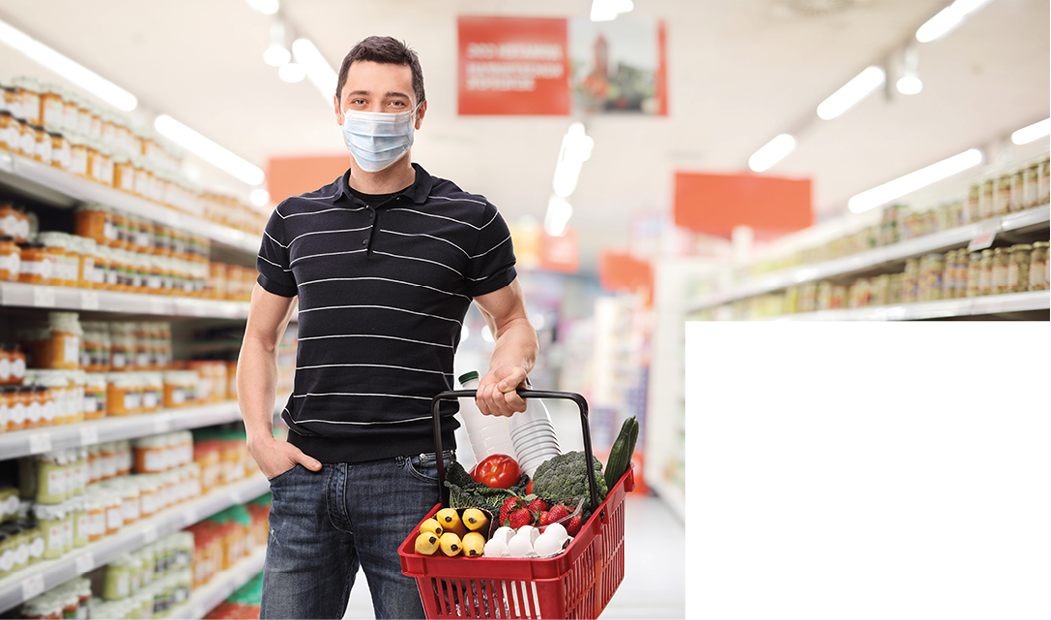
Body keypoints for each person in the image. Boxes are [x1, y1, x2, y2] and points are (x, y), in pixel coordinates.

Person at [237, 36, 539, 620]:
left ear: (419, 114)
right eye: (362, 99)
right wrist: (258, 436)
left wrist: (511, 361)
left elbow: (512, 320)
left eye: (395, 102)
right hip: (303, 476)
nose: (377, 115)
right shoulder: (294, 220)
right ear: (339, 107)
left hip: (415, 482)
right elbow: (260, 337)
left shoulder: (469, 220)